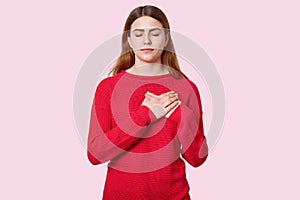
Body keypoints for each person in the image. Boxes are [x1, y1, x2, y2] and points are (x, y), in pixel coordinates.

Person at [87, 5, 208, 200]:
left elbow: (197, 158)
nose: (146, 41)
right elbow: (96, 153)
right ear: (128, 39)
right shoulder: (108, 88)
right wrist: (146, 115)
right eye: (138, 34)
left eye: (155, 33)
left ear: (166, 38)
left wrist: (180, 114)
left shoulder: (186, 88)